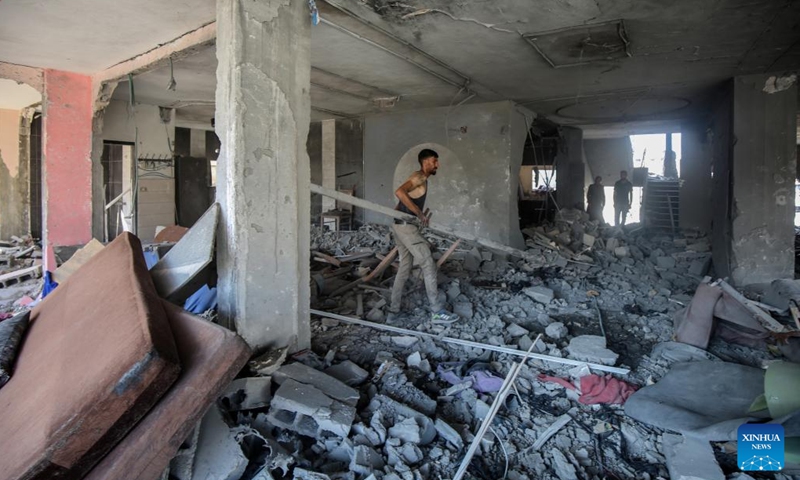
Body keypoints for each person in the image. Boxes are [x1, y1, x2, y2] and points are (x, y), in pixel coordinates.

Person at [389, 149, 458, 323]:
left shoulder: (421, 179)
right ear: (426, 162)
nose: (437, 165)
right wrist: (419, 213)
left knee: (405, 266)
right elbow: (400, 192)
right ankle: (437, 311)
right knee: (428, 263)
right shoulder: (419, 177)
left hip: (399, 225)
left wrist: (399, 219)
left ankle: (393, 312)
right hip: (406, 227)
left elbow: (399, 203)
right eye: (435, 161)